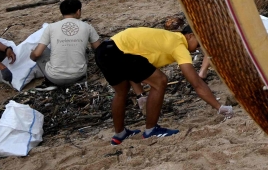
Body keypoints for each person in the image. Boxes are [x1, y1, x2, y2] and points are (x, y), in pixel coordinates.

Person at [95, 25, 232, 144]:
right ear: (190, 36)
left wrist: (140, 94)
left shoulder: (166, 37)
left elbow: (133, 68)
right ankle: (151, 130)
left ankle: (119, 134)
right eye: (199, 44)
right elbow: (196, 83)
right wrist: (219, 107)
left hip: (104, 50)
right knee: (160, 81)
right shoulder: (179, 45)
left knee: (121, 92)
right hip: (119, 53)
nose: (199, 49)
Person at [30, 0, 101, 86]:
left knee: (38, 50)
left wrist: (32, 56)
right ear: (78, 11)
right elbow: (99, 49)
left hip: (54, 78)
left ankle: (48, 80)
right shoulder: (87, 27)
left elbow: (37, 54)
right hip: (79, 75)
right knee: (83, 49)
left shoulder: (51, 27)